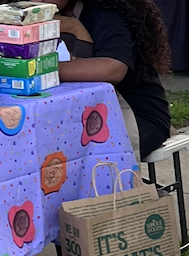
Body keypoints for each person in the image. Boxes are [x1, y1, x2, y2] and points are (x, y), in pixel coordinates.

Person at [54, 0, 172, 161]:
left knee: (66, 156)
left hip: (137, 116)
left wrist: (39, 69)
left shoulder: (107, 11)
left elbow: (113, 68)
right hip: (78, 113)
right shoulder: (29, 15)